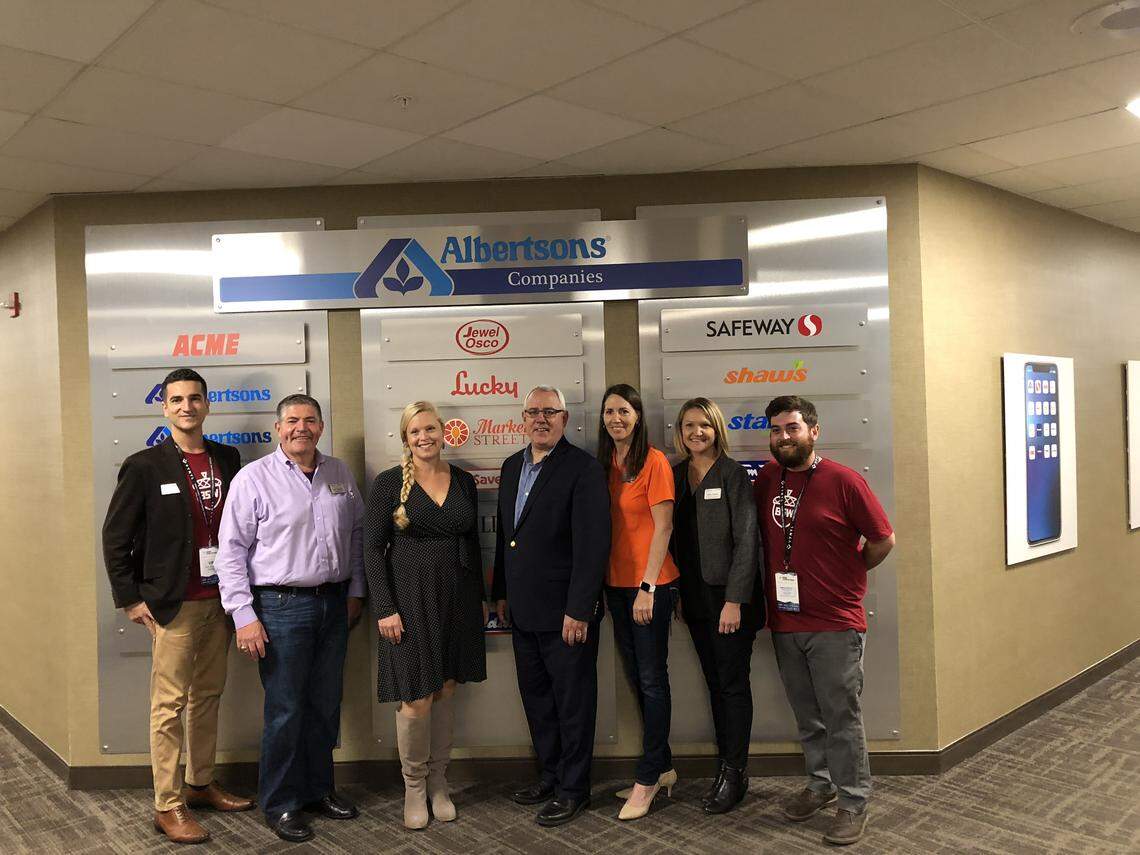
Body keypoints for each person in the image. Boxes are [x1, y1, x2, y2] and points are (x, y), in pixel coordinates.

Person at [102, 368, 253, 844]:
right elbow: (115, 536)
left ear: (207, 404)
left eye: (195, 398)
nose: (186, 407)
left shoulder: (228, 458)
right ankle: (167, 805)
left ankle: (200, 783)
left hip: (223, 602)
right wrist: (129, 597)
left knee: (207, 698)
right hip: (174, 604)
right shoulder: (145, 465)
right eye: (177, 400)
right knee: (168, 706)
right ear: (164, 408)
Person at [214, 394, 366, 844]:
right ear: (278, 429)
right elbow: (231, 553)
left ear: (321, 427)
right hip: (279, 608)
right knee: (285, 710)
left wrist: (356, 590)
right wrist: (243, 615)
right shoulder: (253, 479)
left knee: (325, 705)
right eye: (293, 421)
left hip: (333, 604)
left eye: (311, 420)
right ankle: (280, 803)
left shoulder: (338, 472)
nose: (302, 427)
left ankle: (319, 790)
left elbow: (357, 533)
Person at [753, 395, 894, 847]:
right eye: (775, 430)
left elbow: (883, 539)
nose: (783, 437)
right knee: (808, 715)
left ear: (814, 431)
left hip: (835, 622)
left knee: (842, 716)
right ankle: (820, 784)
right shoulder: (768, 478)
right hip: (786, 620)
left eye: (792, 428)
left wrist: (848, 574)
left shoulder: (844, 481)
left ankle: (853, 802)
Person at [364, 401, 487, 830]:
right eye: (415, 431)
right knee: (415, 697)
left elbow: (472, 544)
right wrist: (384, 608)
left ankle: (439, 782)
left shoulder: (465, 482)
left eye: (431, 429)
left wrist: (481, 600)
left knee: (446, 690)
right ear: (406, 438)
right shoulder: (386, 485)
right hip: (408, 602)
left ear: (443, 432)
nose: (424, 437)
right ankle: (414, 787)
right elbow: (372, 550)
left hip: (457, 600)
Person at [492, 385, 610, 827]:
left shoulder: (582, 469)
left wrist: (579, 609)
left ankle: (574, 789)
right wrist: (500, 592)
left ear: (564, 419)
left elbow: (593, 546)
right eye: (533, 412)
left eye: (550, 412)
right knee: (538, 700)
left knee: (573, 702)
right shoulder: (510, 466)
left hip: (567, 614)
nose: (541, 419)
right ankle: (552, 774)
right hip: (522, 610)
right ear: (522, 418)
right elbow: (508, 538)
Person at [668, 397, 763, 814]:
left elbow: (748, 541)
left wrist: (735, 600)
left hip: (729, 601)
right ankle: (726, 766)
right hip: (693, 599)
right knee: (714, 682)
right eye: (689, 426)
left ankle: (735, 772)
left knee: (732, 684)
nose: (697, 433)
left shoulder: (732, 474)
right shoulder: (674, 475)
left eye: (704, 425)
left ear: (717, 428)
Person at [597, 383, 679, 821]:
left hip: (650, 586)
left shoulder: (655, 461)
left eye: (624, 411)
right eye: (609, 412)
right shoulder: (605, 463)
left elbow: (663, 528)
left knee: (652, 680)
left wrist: (648, 586)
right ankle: (663, 766)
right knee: (637, 677)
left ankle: (647, 778)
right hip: (615, 585)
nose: (616, 419)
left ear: (638, 415)